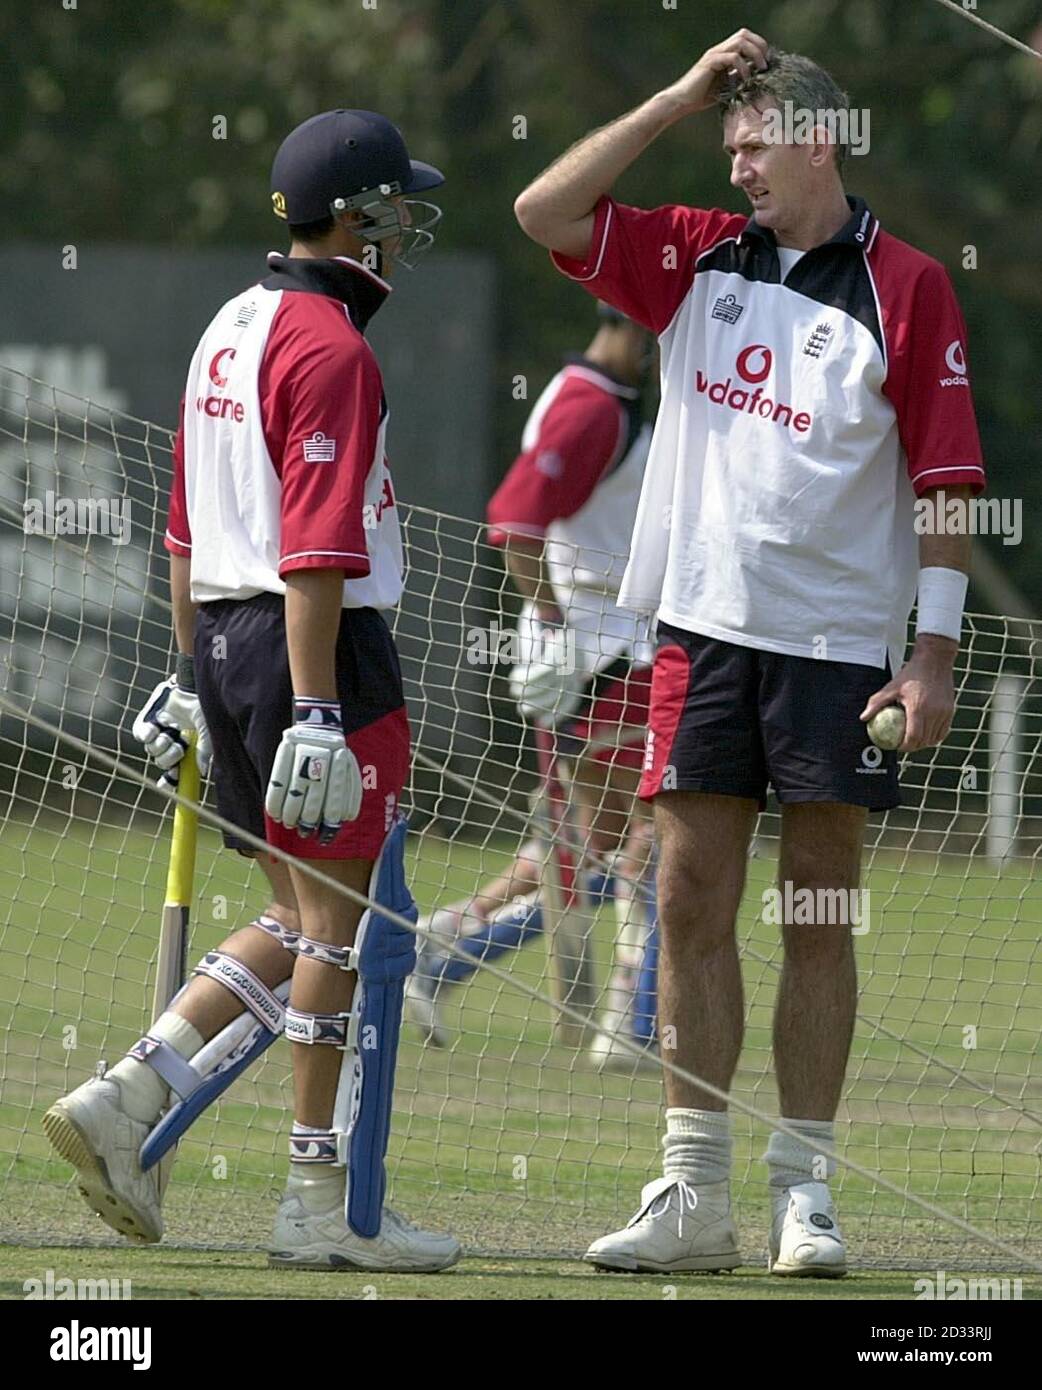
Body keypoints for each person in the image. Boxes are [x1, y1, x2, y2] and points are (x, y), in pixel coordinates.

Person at [515, 36, 985, 1274]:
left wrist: (931, 657)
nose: (735, 162)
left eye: (754, 139)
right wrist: (676, 93)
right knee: (684, 899)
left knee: (817, 913)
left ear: (819, 141)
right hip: (700, 633)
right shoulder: (692, 252)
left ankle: (805, 1193)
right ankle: (692, 1196)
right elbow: (542, 206)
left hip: (839, 652)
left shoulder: (910, 283)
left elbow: (945, 484)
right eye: (726, 143)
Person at [43, 109, 460, 1273]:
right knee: (337, 927)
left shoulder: (229, 324)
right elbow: (318, 549)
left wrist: (190, 673)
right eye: (397, 211)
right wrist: (321, 710)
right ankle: (313, 1204)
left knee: (292, 914)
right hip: (311, 645)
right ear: (362, 219)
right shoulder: (333, 345)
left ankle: (127, 1093)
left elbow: (182, 534)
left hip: (225, 640)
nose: (406, 233)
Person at [405, 305, 659, 1067]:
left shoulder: (587, 396)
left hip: (607, 649)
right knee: (645, 837)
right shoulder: (590, 408)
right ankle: (631, 1027)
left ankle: (444, 948)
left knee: (598, 844)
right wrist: (548, 615)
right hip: (606, 654)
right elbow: (514, 520)